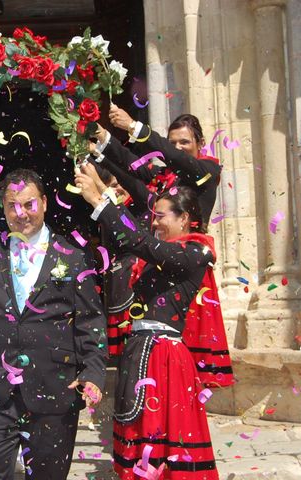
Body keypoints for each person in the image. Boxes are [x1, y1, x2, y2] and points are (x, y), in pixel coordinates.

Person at [0, 168, 107, 480]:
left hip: (54, 387)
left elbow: (90, 320)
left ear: (44, 203)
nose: (20, 214)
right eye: (12, 206)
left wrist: (92, 372)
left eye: (28, 205)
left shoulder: (73, 257)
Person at [76, 164, 219, 479]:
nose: (154, 221)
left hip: (165, 359)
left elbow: (140, 242)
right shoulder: (162, 254)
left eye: (162, 216)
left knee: (165, 441)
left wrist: (99, 203)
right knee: (139, 436)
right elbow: (140, 238)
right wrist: (100, 186)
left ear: (184, 219)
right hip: (140, 351)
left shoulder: (195, 253)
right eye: (153, 215)